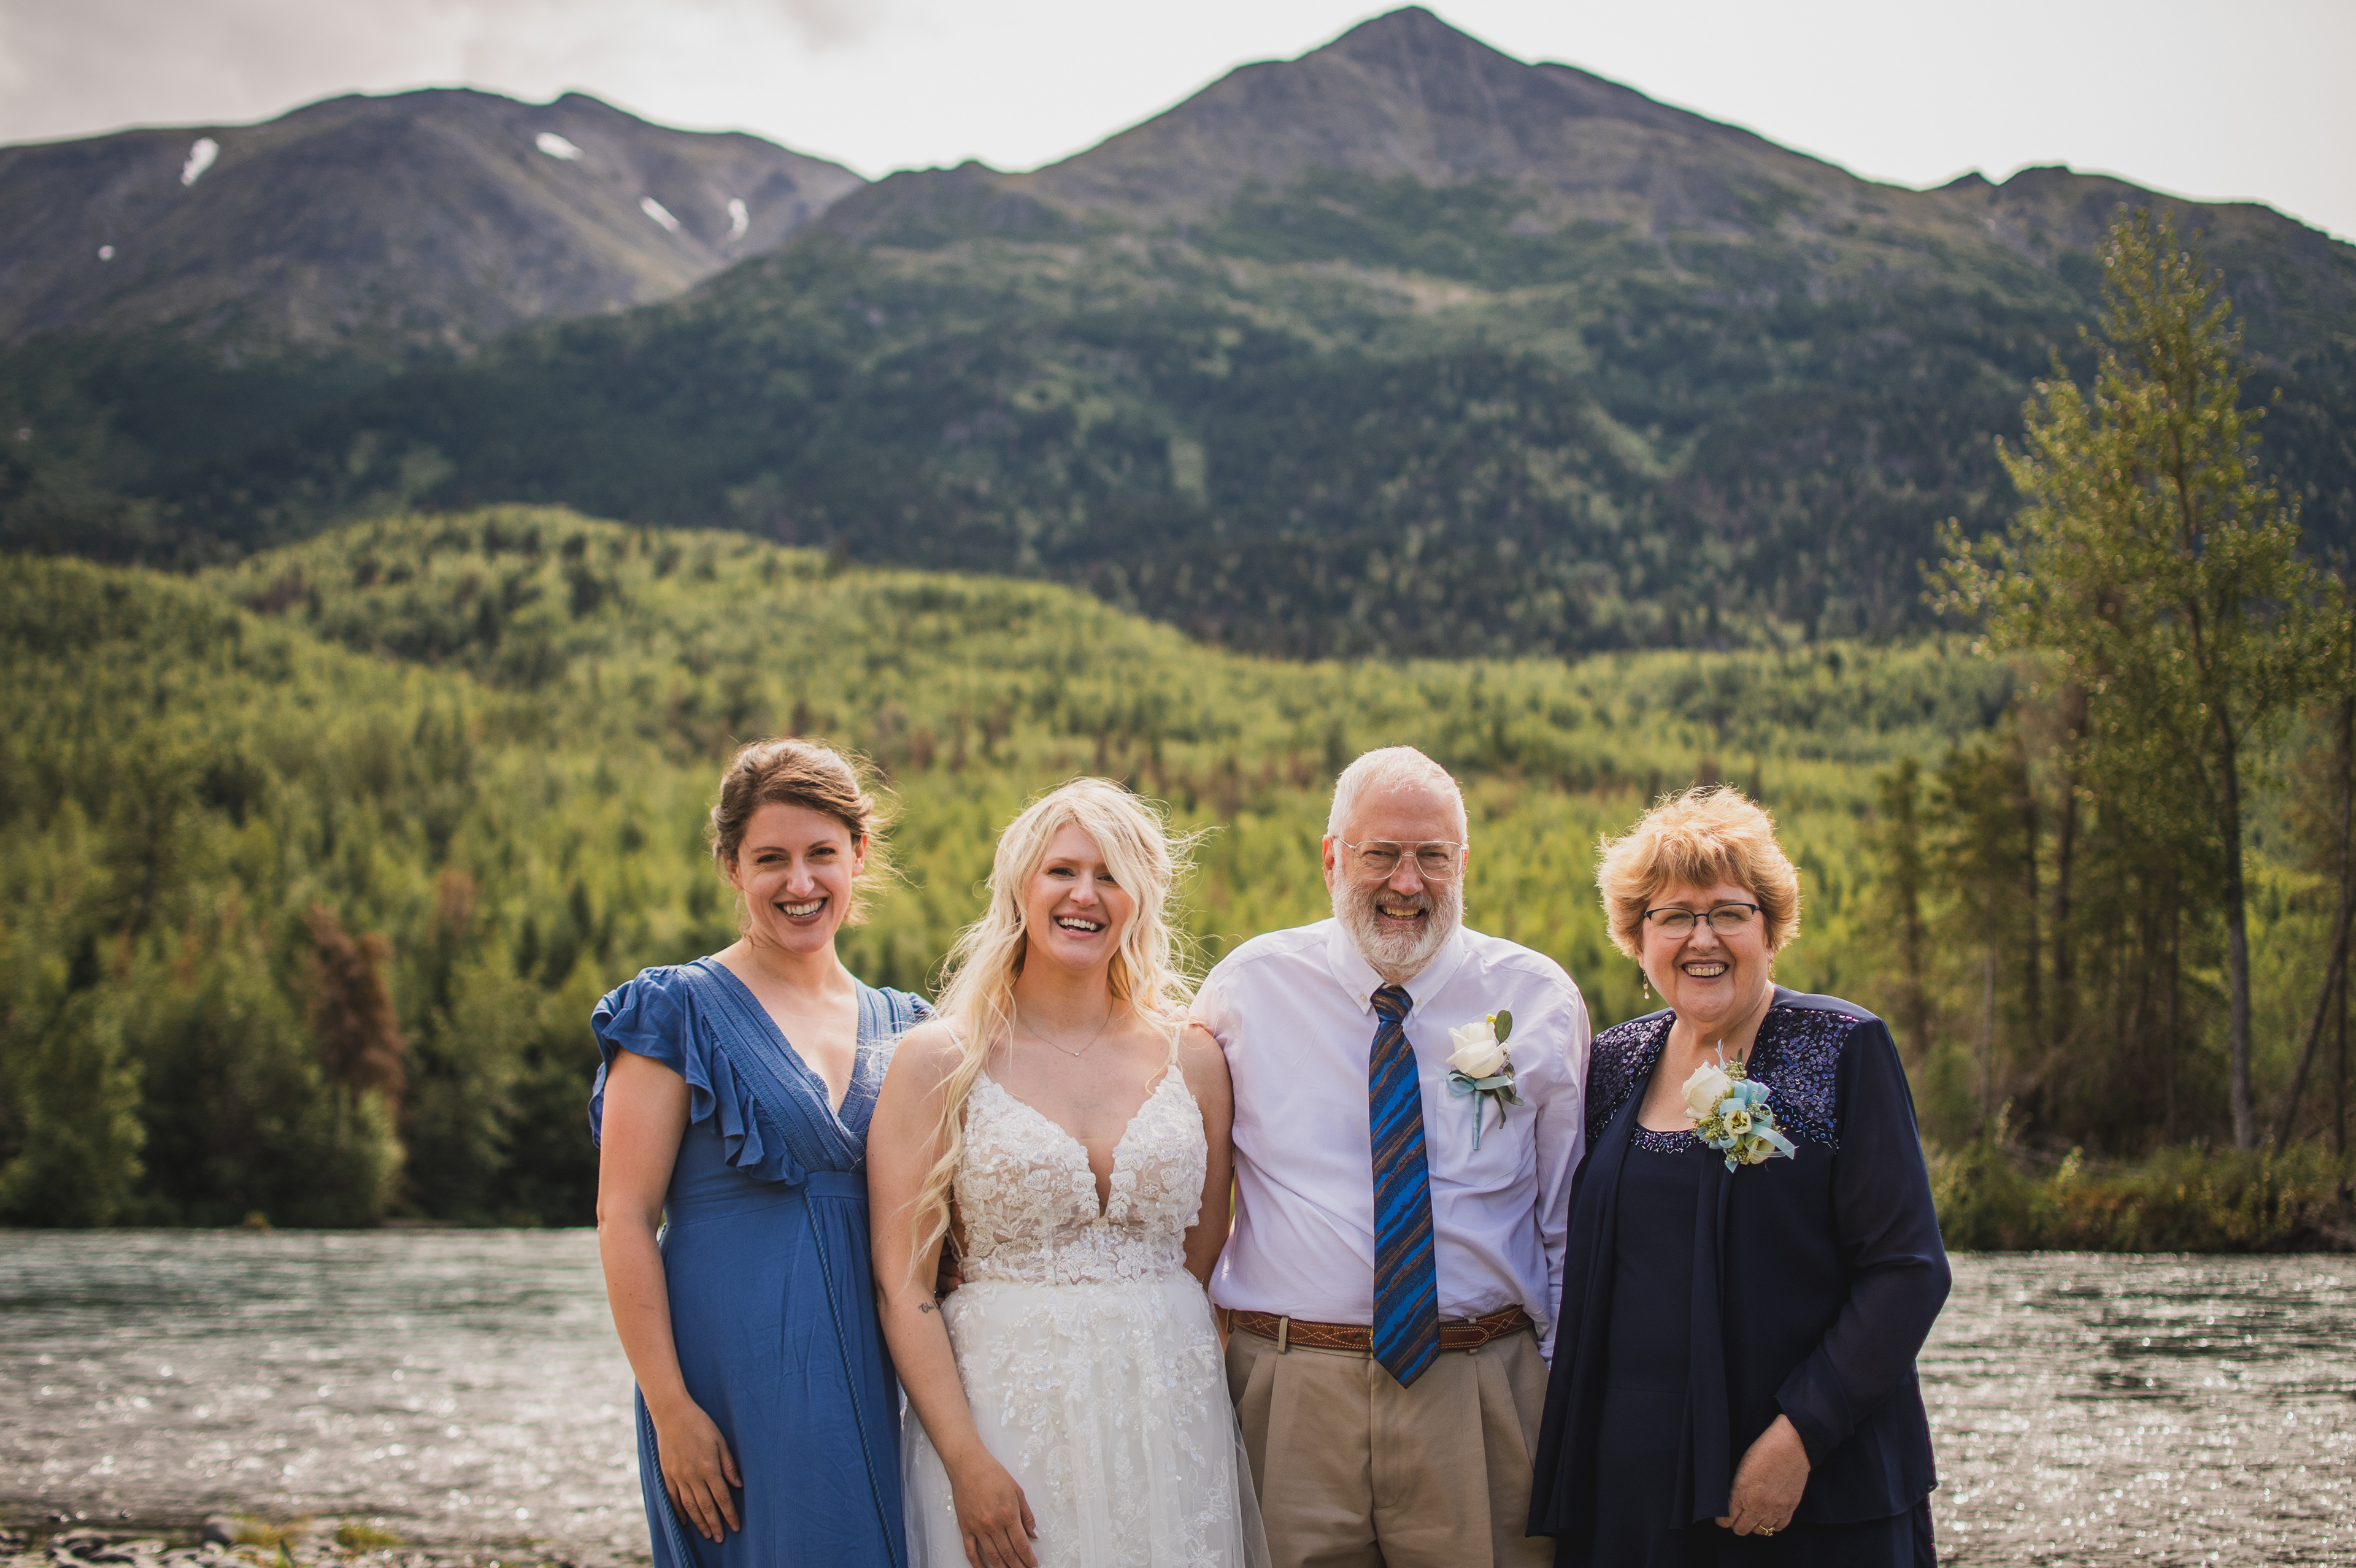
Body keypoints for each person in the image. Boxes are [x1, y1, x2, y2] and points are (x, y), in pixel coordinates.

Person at [1527, 786, 1951, 1566]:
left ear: (1770, 927)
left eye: (1728, 912)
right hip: (1635, 1485)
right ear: (1637, 936)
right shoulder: (1615, 1061)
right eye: (1674, 916)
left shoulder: (1843, 1047)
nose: (1703, 938)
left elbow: (1908, 1271)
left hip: (1804, 1485)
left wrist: (1800, 1437)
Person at [1193, 745, 1592, 1568]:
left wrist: (1559, 1390)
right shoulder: (1247, 990)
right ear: (1332, 859)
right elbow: (1192, 1201)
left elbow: (1564, 1223)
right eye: (1381, 854)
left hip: (1481, 1388)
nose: (1407, 883)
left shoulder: (1539, 999)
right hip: (1289, 1389)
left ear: (1463, 865)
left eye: (1432, 857)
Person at [870, 778, 1267, 1568]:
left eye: (1111, 875)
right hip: (1004, 1418)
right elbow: (904, 1289)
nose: (1085, 894)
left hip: (1168, 1417)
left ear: (1141, 899)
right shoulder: (939, 1060)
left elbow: (1202, 1258)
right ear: (1020, 886)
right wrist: (965, 1461)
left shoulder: (1195, 1059)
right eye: (1062, 871)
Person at [590, 739, 928, 1568]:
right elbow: (623, 1217)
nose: (800, 883)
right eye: (771, 858)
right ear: (732, 867)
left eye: (822, 854)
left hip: (888, 1375)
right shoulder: (673, 1010)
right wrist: (671, 1409)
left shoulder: (914, 1029)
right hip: (733, 1383)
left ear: (860, 854)